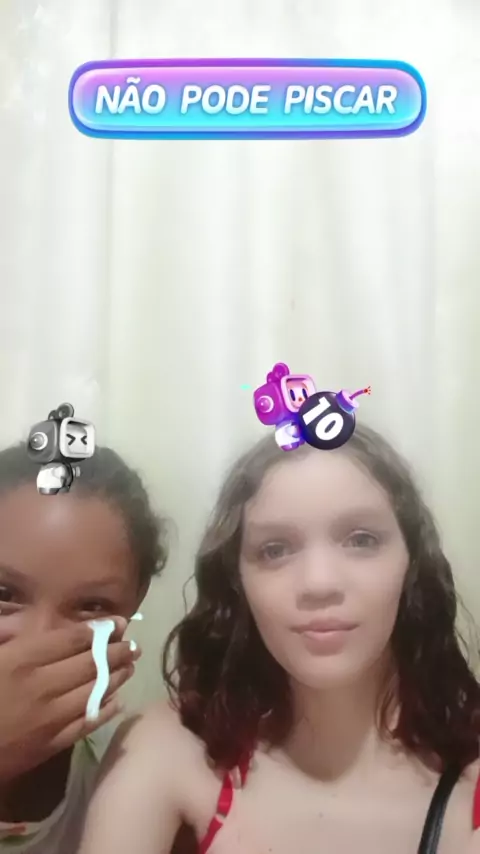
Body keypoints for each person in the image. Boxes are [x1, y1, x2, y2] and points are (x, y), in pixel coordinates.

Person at [78, 426, 480, 854]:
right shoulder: (167, 750)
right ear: (237, 582)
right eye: (275, 550)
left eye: (361, 540)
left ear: (411, 563)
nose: (319, 583)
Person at [0, 441, 167, 853]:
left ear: (134, 606)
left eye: (92, 606)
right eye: (5, 593)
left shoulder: (129, 772)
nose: (40, 639)